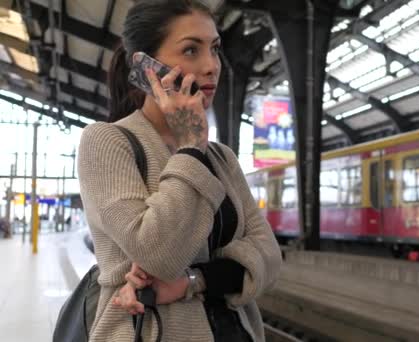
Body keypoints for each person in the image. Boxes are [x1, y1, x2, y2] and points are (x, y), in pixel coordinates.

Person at [77, 1, 282, 341]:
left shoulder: (222, 158)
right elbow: (158, 253)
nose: (210, 66)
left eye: (215, 49)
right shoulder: (107, 142)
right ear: (145, 66)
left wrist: (193, 281)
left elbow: (270, 256)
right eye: (190, 50)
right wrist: (190, 146)